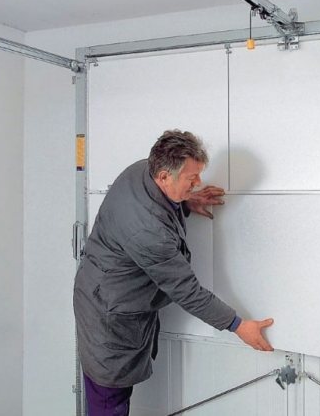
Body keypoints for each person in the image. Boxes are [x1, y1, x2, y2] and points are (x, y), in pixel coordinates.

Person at [73, 129, 274, 415]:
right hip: (107, 316)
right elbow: (187, 291)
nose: (198, 182)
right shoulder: (148, 232)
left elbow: (158, 204)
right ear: (165, 176)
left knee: (114, 393)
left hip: (106, 293)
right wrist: (238, 325)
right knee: (109, 399)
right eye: (192, 178)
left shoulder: (142, 169)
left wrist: (187, 200)